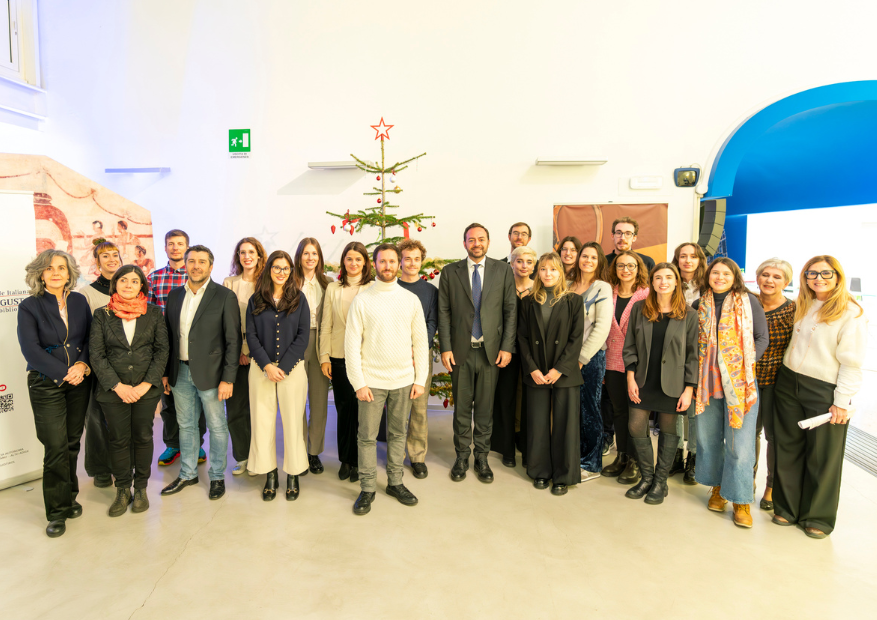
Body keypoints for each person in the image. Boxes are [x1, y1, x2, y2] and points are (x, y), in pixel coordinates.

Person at [772, 256, 867, 539]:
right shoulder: (803, 303)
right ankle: (787, 509)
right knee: (787, 448)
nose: (818, 278)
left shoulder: (852, 312)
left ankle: (818, 518)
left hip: (824, 388)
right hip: (788, 382)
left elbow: (852, 362)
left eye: (826, 273)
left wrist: (842, 401)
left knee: (823, 455)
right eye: (812, 273)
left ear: (837, 276)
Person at [346, 244, 429, 515]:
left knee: (398, 434)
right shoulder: (362, 300)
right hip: (372, 381)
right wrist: (359, 382)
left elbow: (420, 341)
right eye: (383, 262)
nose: (388, 266)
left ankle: (395, 482)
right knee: (367, 437)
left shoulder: (410, 300)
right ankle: (368, 488)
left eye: (393, 262)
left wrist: (420, 379)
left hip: (404, 380)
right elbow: (351, 345)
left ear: (399, 264)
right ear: (375, 263)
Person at [18, 250, 92, 538]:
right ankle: (57, 512)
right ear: (40, 274)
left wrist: (83, 365)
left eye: (62, 267)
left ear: (70, 272)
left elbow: (88, 338)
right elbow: (31, 350)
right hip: (46, 381)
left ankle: (70, 497)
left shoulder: (78, 301)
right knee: (55, 446)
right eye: (50, 269)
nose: (56, 273)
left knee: (72, 442)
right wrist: (65, 372)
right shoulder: (30, 306)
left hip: (79, 380)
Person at [160, 245, 242, 500]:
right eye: (191, 261)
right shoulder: (174, 296)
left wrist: (228, 378)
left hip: (213, 375)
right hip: (180, 373)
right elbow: (168, 337)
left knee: (217, 426)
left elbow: (233, 341)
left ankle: (217, 476)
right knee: (186, 425)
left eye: (202, 261)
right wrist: (165, 373)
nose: (196, 265)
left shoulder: (224, 296)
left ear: (210, 266)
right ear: (185, 264)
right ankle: (188, 473)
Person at [438, 223, 517, 483]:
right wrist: (446, 347)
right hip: (460, 351)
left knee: (485, 408)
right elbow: (444, 312)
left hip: (490, 352)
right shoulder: (450, 272)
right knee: (461, 409)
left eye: (481, 239)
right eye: (471, 240)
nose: (476, 244)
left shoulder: (503, 270)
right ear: (464, 244)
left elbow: (510, 311)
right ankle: (462, 456)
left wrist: (507, 347)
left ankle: (482, 457)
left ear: (489, 242)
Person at [693, 258, 768, 528]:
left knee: (741, 444)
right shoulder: (698, 304)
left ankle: (741, 500)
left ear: (734, 276)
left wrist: (742, 365)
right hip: (707, 382)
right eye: (715, 273)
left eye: (726, 273)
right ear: (708, 276)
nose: (720, 277)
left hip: (740, 383)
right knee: (709, 438)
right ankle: (717, 489)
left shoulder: (750, 302)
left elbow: (761, 338)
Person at [89, 266, 168, 516]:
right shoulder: (102, 314)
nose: (128, 285)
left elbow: (162, 350)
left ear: (142, 286)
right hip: (114, 390)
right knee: (119, 439)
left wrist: (146, 385)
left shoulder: (154, 312)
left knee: (143, 437)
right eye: (123, 280)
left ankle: (141, 488)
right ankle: (123, 489)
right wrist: (118, 386)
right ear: (115, 284)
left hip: (146, 389)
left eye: (135, 281)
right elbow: (97, 354)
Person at [622, 263, 698, 504]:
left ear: (677, 282)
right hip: (643, 378)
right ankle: (647, 477)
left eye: (668, 277)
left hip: (673, 384)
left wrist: (689, 389)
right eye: (658, 278)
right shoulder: (639, 308)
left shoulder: (689, 314)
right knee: (636, 426)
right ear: (652, 283)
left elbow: (693, 355)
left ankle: (660, 481)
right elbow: (630, 345)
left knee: (667, 430)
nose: (663, 282)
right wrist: (630, 376)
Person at [517, 252, 585, 495]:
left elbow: (577, 339)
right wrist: (532, 368)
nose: (547, 274)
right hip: (536, 371)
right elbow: (522, 338)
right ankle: (540, 472)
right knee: (537, 424)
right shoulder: (527, 302)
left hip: (564, 373)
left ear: (562, 272)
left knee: (565, 425)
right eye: (543, 269)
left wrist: (560, 369)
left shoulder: (574, 301)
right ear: (537, 272)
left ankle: (563, 476)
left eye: (553, 270)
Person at [246, 251, 310, 501]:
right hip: (261, 369)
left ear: (291, 272)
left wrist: (282, 365)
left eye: (286, 269)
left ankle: (293, 474)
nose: (281, 273)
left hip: (292, 370)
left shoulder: (299, 299)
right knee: (262, 422)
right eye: (276, 268)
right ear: (269, 270)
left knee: (293, 423)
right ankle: (269, 474)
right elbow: (250, 335)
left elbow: (303, 335)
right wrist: (267, 366)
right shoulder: (255, 299)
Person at [147, 230, 207, 468]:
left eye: (180, 244)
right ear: (165, 249)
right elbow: (150, 313)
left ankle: (198, 443)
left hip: (195, 346)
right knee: (169, 396)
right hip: (165, 346)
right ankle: (173, 444)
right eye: (170, 244)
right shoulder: (154, 278)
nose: (175, 248)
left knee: (198, 395)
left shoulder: (197, 276)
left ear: (187, 248)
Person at [320, 241, 374, 482]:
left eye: (358, 259)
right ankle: (346, 460)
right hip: (339, 356)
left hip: (366, 359)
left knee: (363, 412)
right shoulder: (333, 288)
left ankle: (360, 461)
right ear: (344, 261)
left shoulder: (374, 288)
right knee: (344, 409)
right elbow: (326, 324)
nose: (353, 263)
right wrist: (324, 356)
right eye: (349, 259)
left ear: (365, 263)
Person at [601, 250, 649, 485]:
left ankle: (636, 462)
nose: (626, 269)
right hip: (611, 360)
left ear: (638, 268)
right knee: (619, 411)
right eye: (621, 265)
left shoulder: (647, 294)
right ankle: (621, 456)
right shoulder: (608, 292)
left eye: (631, 265)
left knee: (636, 414)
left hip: (637, 364)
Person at [78, 240, 122, 489]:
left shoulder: (131, 288)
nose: (112, 259)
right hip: (97, 367)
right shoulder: (87, 293)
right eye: (105, 256)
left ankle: (124, 465)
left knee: (124, 420)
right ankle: (101, 469)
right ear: (97, 262)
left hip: (128, 365)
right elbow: (85, 334)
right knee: (95, 418)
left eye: (115, 255)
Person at [753, 258, 795, 511]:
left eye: (777, 277)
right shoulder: (746, 303)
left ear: (786, 282)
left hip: (777, 384)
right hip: (745, 381)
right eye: (765, 275)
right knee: (748, 435)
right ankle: (747, 481)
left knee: (774, 437)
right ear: (757, 278)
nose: (769, 280)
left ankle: (771, 486)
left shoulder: (794, 310)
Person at [222, 237, 267, 476]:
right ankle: (242, 457)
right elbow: (227, 321)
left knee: (260, 409)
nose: (246, 256)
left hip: (262, 354)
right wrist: (239, 350)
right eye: (242, 252)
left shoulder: (268, 283)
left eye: (251, 252)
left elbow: (267, 321)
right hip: (236, 354)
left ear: (260, 255)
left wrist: (250, 349)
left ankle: (261, 457)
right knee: (237, 408)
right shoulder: (229, 283)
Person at [569, 241, 613, 481]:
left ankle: (591, 463)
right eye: (584, 256)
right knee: (572, 410)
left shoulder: (602, 288)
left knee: (589, 410)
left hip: (590, 358)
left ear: (599, 262)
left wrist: (582, 358)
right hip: (567, 358)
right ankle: (573, 455)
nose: (587, 261)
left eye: (593, 258)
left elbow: (601, 327)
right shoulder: (568, 285)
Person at [397, 239, 438, 479]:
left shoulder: (430, 291)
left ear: (422, 262)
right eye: (407, 258)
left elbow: (432, 321)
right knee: (398, 407)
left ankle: (417, 457)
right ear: (400, 261)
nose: (412, 263)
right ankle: (396, 455)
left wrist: (418, 346)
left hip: (421, 355)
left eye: (416, 259)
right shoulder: (390, 286)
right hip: (395, 356)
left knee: (419, 408)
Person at [491, 245, 536, 467]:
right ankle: (506, 447)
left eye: (528, 262)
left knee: (529, 399)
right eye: (519, 261)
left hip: (533, 354)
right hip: (506, 350)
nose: (524, 266)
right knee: (505, 398)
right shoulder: (502, 287)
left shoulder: (539, 289)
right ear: (512, 263)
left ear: (534, 266)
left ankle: (527, 446)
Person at [293, 237, 332, 475]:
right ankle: (297, 450)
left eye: (314, 254)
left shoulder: (328, 284)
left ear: (319, 257)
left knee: (318, 401)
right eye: (306, 253)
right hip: (295, 341)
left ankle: (313, 452)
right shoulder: (290, 282)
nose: (310, 258)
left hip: (321, 340)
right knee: (295, 399)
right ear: (299, 256)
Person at [672, 241, 708, 484]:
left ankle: (693, 458)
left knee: (695, 410)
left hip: (701, 354)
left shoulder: (708, 287)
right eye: (682, 256)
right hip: (673, 353)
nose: (687, 261)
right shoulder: (669, 283)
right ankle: (674, 454)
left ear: (699, 261)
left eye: (692, 257)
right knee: (673, 407)